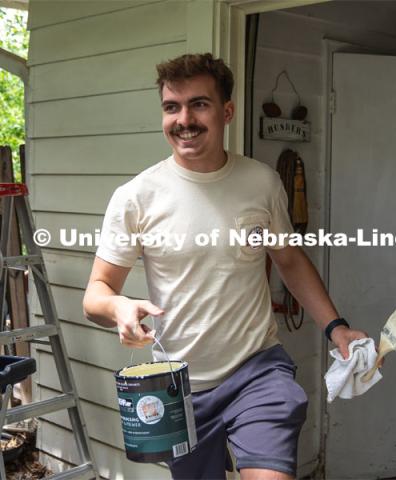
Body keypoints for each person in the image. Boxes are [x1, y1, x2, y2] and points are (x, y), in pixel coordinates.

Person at [83, 53, 368, 480]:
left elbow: (288, 260)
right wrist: (119, 307)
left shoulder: (261, 182)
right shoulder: (136, 197)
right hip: (180, 387)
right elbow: (96, 293)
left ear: (226, 111)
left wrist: (336, 327)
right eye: (171, 107)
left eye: (199, 104)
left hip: (256, 369)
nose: (184, 119)